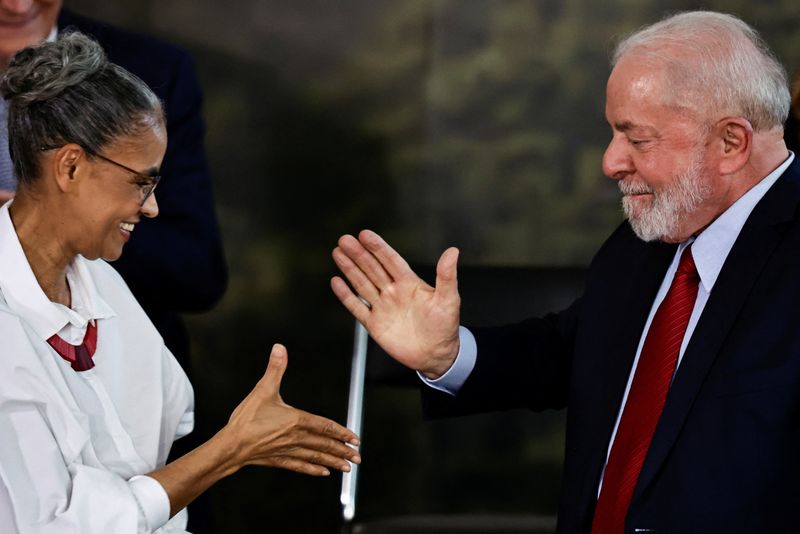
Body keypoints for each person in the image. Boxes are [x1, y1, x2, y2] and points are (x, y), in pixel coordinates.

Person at [331, 11, 798, 533]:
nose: (610, 162)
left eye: (637, 139)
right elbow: (568, 353)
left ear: (731, 143)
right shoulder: (648, 234)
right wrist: (448, 356)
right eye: (612, 133)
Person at [0, 32, 360, 533]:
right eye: (140, 182)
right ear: (71, 166)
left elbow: (170, 420)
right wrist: (230, 449)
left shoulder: (105, 285)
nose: (152, 207)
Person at [0, 1, 227, 369]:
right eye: (139, 182)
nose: (18, 4)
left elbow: (197, 271)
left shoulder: (152, 72)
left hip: (126, 374)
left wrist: (64, 227)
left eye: (146, 183)